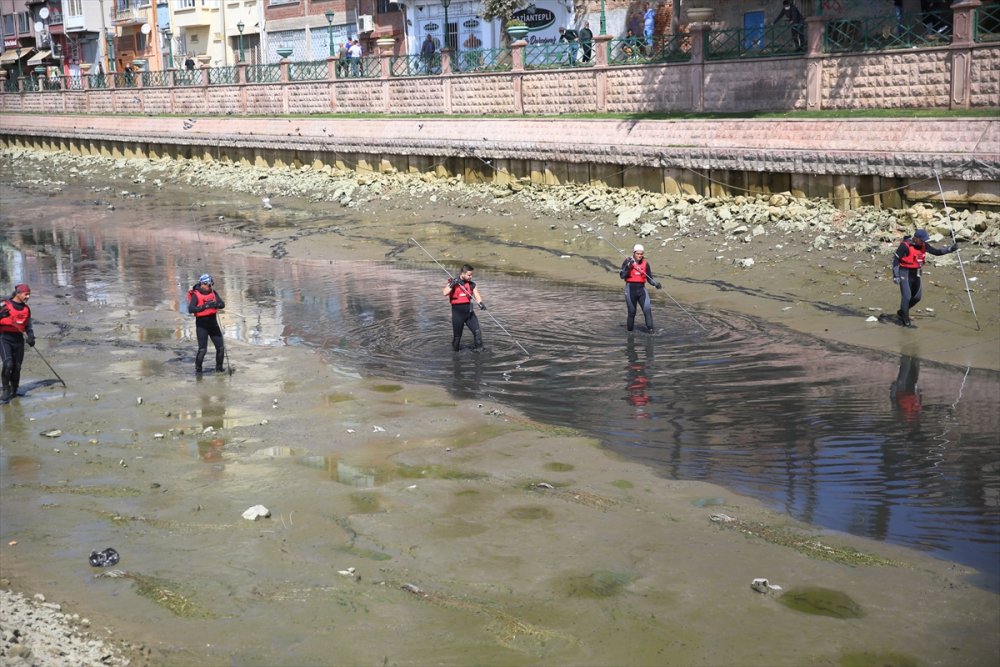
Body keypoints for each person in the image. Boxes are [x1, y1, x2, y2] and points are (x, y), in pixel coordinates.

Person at [891, 228, 958, 327]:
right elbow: (896, 260)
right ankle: (905, 318)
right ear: (916, 238)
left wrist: (950, 249)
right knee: (907, 297)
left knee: (917, 297)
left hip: (916, 273)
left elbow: (936, 252)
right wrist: (896, 275)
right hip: (904, 272)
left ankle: (902, 311)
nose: (924, 242)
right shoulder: (905, 246)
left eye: (924, 240)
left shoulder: (924, 245)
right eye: (922, 240)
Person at [0, 284, 35, 402]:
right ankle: (5, 390)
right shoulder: (4, 305)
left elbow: (28, 326)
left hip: (18, 340)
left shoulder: (26, 309)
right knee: (8, 364)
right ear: (18, 293)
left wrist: (31, 337)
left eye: (29, 294)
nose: (28, 297)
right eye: (26, 294)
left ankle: (14, 390)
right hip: (5, 339)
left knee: (17, 367)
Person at [187, 273, 226, 373]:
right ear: (202, 284)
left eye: (211, 284)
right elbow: (191, 309)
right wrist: (204, 307)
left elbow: (222, 304)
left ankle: (219, 369)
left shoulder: (213, 292)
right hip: (202, 325)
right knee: (203, 350)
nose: (210, 287)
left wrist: (216, 304)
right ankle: (198, 370)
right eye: (208, 285)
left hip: (213, 324)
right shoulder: (196, 294)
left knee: (221, 348)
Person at [442, 264, 486, 351]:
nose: (471, 277)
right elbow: (444, 292)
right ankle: (455, 356)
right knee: (457, 338)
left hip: (469, 314)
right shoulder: (453, 282)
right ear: (463, 274)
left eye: (472, 275)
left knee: (477, 333)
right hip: (457, 315)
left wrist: (480, 303)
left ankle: (479, 353)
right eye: (469, 275)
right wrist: (452, 284)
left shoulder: (472, 284)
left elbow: (477, 295)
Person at [619, 244, 662, 333]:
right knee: (632, 312)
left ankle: (650, 331)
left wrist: (656, 284)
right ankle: (630, 333)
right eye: (638, 254)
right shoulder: (627, 261)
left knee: (647, 310)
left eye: (641, 254)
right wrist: (628, 266)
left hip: (641, 289)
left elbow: (649, 278)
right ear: (634, 253)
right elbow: (622, 276)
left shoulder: (646, 264)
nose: (640, 256)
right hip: (630, 289)